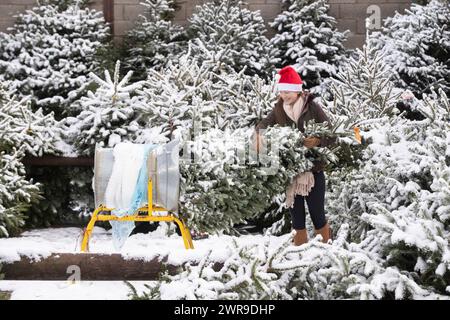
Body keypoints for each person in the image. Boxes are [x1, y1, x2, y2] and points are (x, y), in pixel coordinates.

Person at [254, 66, 335, 246]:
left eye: (289, 91)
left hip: (312, 170)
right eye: (282, 91)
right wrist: (258, 134)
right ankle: (299, 249)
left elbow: (331, 133)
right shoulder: (279, 108)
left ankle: (327, 248)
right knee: (296, 216)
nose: (285, 95)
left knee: (317, 214)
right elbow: (264, 124)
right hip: (291, 172)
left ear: (297, 91)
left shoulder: (312, 107)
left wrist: (317, 141)